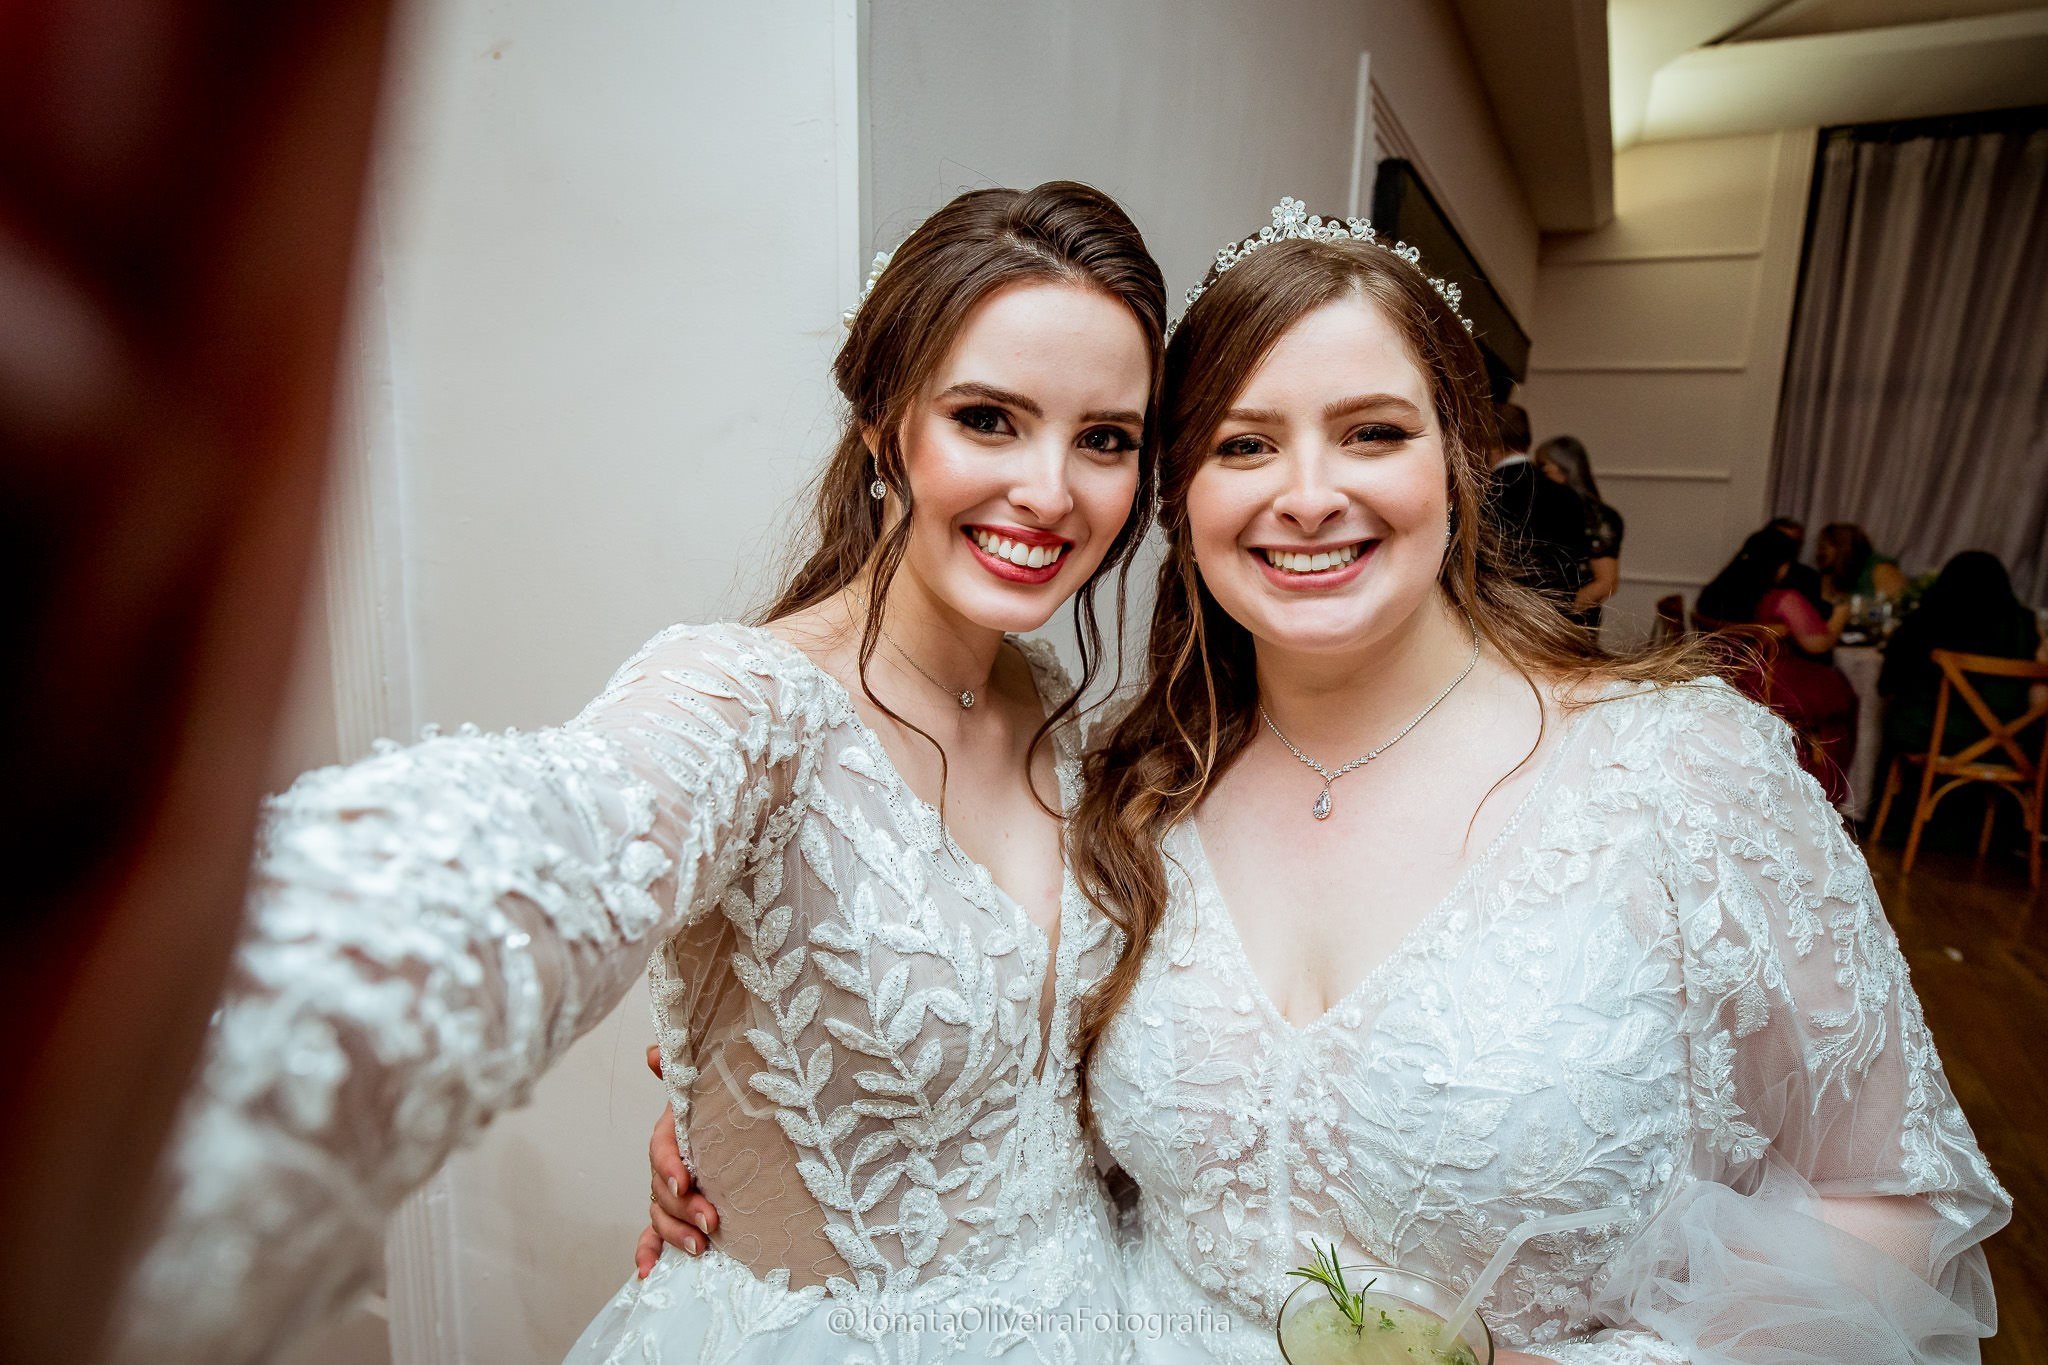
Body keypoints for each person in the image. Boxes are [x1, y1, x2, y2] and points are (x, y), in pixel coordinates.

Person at [649, 201, 2008, 1362]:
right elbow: (1000, 1084)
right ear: (1177, 496)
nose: (1307, 495)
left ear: (1462, 459)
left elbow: (1894, 1197)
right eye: (1244, 444)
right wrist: (742, 1111)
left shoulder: (1681, 775)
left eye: (1371, 433)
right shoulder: (1131, 791)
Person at [112, 181, 1168, 1365]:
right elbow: (568, 828)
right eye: (987, 418)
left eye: (1104, 440)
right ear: (884, 422)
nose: (1047, 491)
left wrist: (754, 1101)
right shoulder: (743, 704)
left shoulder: (1056, 710)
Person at [1695, 528, 1860, 804]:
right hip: (1766, 682)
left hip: (1721, 676)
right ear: (1782, 565)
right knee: (1841, 699)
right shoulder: (1782, 598)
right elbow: (1817, 644)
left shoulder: (1717, 592)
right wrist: (1840, 617)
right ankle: (1818, 792)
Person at [1880, 549, 2045, 762]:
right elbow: (2040, 700)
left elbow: (1887, 686)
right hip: (2005, 747)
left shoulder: (1923, 622)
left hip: (1928, 740)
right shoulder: (2024, 627)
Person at [1487, 402, 1588, 608]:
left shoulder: (1488, 493)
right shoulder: (1567, 495)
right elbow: (1575, 562)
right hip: (1555, 615)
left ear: (1490, 445)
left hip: (1501, 614)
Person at [1534, 435, 1622, 629]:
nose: (1536, 474)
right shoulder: (1548, 509)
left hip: (1572, 623)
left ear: (1564, 468)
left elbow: (1606, 583)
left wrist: (1558, 618)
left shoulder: (1597, 516)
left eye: (1542, 466)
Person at [1817, 521, 1908, 602]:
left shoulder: (1881, 569)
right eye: (1820, 545)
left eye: (1826, 546)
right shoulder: (1830, 576)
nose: (1820, 551)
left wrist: (1854, 612)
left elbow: (1895, 610)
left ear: (1844, 547)